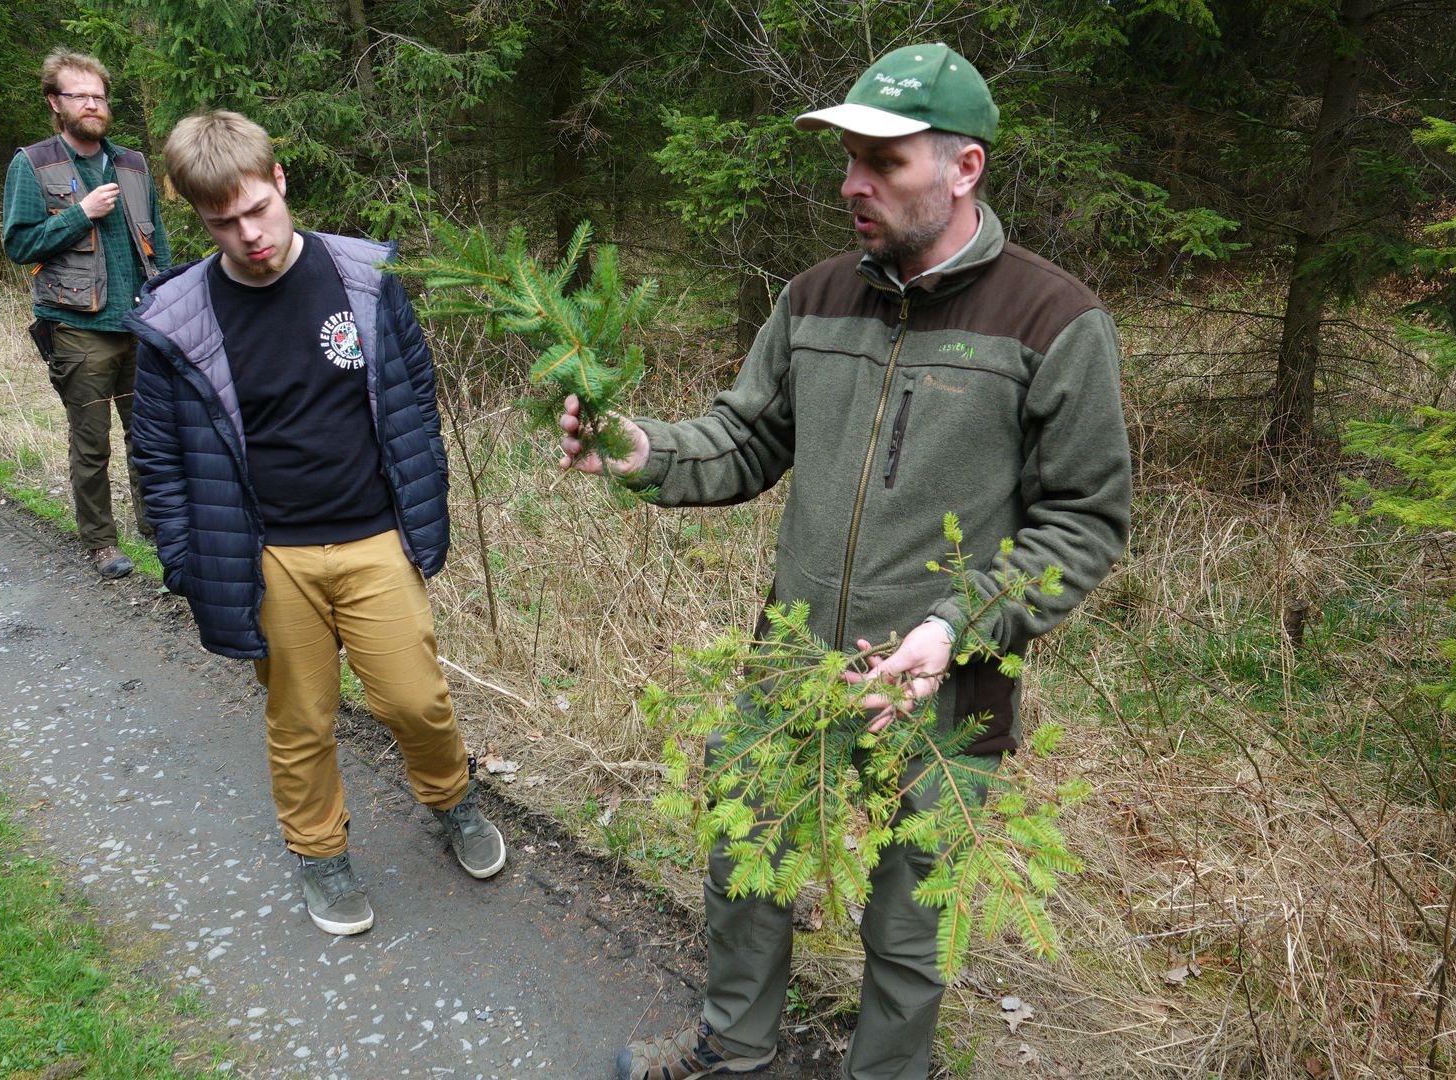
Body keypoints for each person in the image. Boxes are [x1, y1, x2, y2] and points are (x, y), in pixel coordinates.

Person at [561, 44, 1132, 1080]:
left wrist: (956, 626)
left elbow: (1084, 521)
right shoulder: (815, 297)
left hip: (943, 686)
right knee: (745, 869)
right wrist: (641, 450)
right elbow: (742, 441)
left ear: (964, 168)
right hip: (792, 666)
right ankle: (733, 1053)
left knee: (911, 926)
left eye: (883, 160)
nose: (851, 184)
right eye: (847, 158)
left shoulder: (1052, 320)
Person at [126, 110, 505, 937]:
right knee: (301, 721)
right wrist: (192, 563)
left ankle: (452, 802)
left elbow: (415, 402)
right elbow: (156, 459)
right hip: (270, 557)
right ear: (199, 217)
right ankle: (319, 852)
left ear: (280, 181)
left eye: (257, 208)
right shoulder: (177, 317)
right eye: (223, 222)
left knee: (416, 701)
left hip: (373, 538)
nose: (248, 234)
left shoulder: (361, 281)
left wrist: (423, 507)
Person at [2, 48, 171, 579]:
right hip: (78, 327)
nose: (93, 105)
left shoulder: (133, 163)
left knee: (151, 441)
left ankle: (164, 535)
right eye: (80, 96)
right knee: (91, 443)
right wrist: (80, 214)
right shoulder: (32, 164)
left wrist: (167, 303)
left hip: (141, 323)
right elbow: (19, 244)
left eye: (99, 96)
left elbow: (156, 243)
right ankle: (101, 542)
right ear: (55, 102)